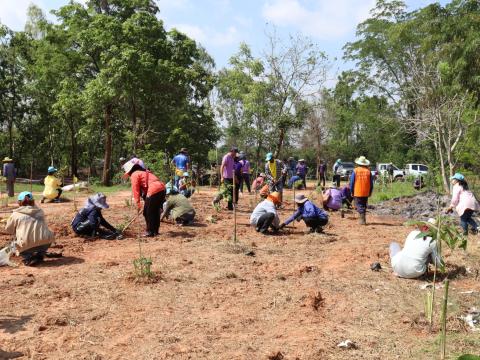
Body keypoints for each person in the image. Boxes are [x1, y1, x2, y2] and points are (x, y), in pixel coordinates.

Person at [5, 191, 55, 266]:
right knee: (46, 234)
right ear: (33, 201)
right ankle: (40, 254)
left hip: (26, 246)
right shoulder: (40, 211)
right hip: (45, 242)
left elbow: (9, 230)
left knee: (15, 243)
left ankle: (28, 258)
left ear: (19, 202)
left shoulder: (15, 214)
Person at [123, 159, 166, 237]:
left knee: (147, 212)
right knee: (155, 211)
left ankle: (149, 231)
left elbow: (135, 190)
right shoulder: (146, 172)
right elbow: (144, 190)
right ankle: (155, 231)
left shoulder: (135, 174)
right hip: (162, 189)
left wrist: (138, 204)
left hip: (154, 189)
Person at [349, 156, 374, 225]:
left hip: (357, 191)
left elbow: (352, 182)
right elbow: (371, 183)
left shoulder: (355, 170)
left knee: (359, 205)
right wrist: (370, 191)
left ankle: (362, 220)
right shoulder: (368, 171)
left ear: (358, 163)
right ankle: (362, 218)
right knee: (363, 205)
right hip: (366, 192)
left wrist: (351, 191)